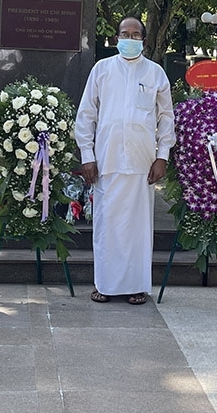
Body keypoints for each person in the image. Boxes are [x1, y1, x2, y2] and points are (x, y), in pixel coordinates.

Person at [75, 17, 174, 305]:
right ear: (116, 37)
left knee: (138, 227)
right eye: (124, 33)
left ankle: (136, 286)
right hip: (107, 160)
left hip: (143, 163)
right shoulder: (102, 70)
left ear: (143, 40)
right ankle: (104, 284)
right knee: (108, 224)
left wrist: (162, 155)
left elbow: (166, 116)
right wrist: (87, 155)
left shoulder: (155, 73)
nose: (129, 38)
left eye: (135, 34)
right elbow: (86, 115)